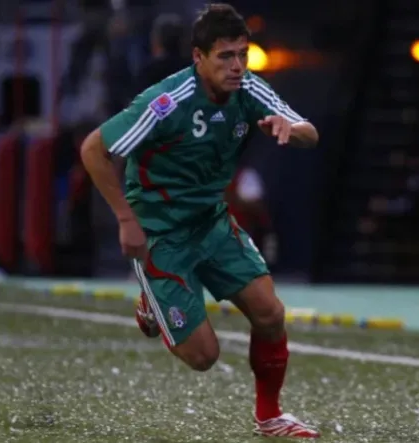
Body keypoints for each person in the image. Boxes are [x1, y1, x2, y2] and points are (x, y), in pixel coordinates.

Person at [79, 3, 320, 438]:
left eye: (243, 54)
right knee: (203, 356)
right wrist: (125, 219)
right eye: (225, 56)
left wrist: (290, 127)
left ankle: (269, 416)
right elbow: (94, 149)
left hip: (211, 222)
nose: (237, 66)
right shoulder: (164, 102)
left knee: (270, 313)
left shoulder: (250, 89)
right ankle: (151, 300)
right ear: (198, 58)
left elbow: (309, 131)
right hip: (160, 234)